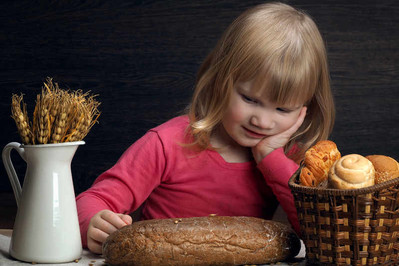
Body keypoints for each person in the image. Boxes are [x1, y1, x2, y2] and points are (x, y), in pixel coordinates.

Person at [76, 1, 335, 254]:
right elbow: (89, 202)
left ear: (305, 109)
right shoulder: (167, 143)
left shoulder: (290, 161)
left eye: (283, 110)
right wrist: (93, 222)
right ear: (219, 79)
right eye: (249, 99)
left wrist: (271, 159)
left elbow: (321, 235)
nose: (263, 121)